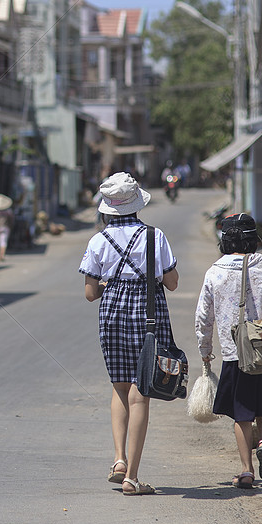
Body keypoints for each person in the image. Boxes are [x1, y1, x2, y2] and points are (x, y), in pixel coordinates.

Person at [79, 172, 180, 496]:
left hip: (112, 316)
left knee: (119, 387)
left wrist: (112, 283)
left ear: (107, 208)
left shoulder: (98, 241)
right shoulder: (154, 236)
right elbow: (173, 281)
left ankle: (119, 459)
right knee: (142, 392)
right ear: (137, 204)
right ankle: (132, 478)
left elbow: (90, 293)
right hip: (148, 315)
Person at [194, 213, 262, 489]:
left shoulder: (215, 272)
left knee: (242, 414)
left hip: (237, 355)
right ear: (253, 239)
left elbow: (203, 317)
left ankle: (246, 470)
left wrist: (205, 349)